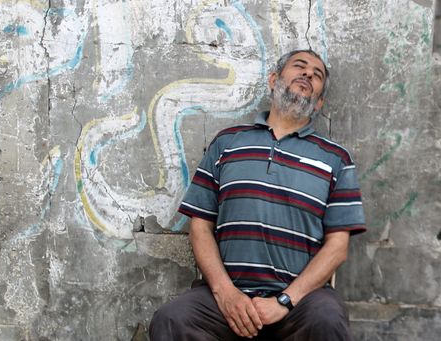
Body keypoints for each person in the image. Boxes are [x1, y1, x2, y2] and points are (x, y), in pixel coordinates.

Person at [150, 49, 366, 340]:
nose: (308, 74)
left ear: (319, 102)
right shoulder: (228, 142)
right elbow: (200, 226)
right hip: (225, 296)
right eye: (299, 67)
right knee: (172, 319)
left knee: (327, 320)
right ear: (274, 80)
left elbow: (338, 247)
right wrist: (226, 294)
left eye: (317, 75)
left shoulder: (336, 159)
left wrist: (284, 301)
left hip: (300, 302)